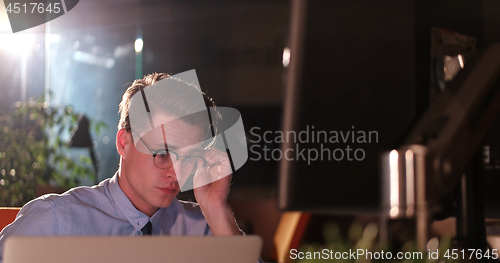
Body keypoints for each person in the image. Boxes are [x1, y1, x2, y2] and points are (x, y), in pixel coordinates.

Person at [0, 72, 259, 262]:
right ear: (123, 143)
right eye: (163, 153)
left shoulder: (207, 230)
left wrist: (216, 209)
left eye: (189, 158)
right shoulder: (56, 221)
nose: (177, 173)